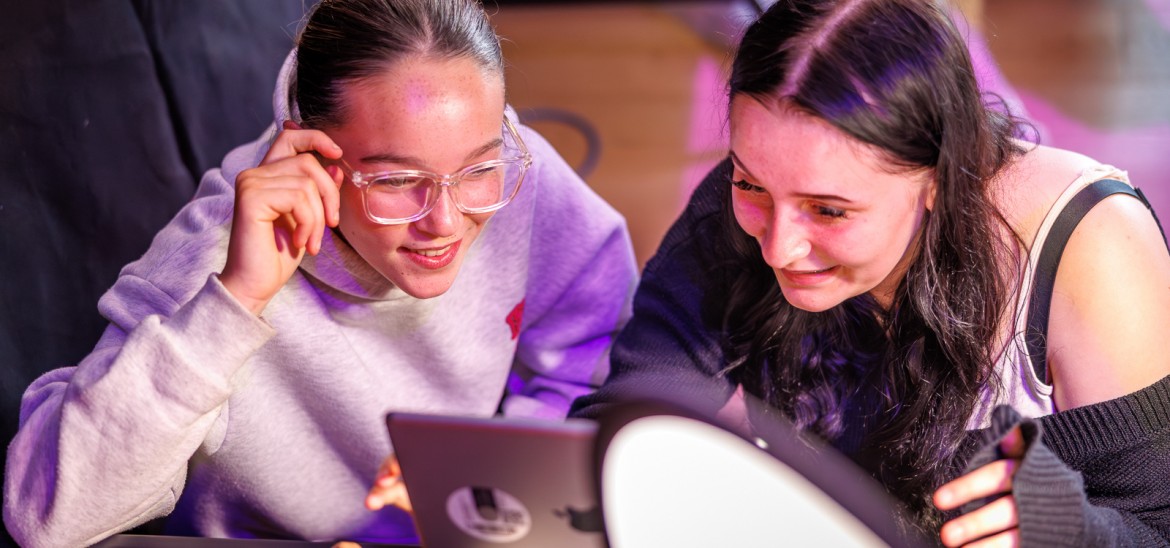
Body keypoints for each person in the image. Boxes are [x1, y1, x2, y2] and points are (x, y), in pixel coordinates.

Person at [4, 0, 637, 545]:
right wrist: (236, 303)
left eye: (478, 167)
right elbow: (45, 518)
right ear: (310, 151)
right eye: (396, 180)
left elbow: (597, 344)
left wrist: (494, 470)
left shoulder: (520, 178)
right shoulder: (214, 261)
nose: (445, 220)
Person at [571, 0, 1170, 545]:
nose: (779, 247)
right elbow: (629, 424)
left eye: (829, 210)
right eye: (749, 182)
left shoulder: (1090, 246)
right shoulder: (752, 201)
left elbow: (1156, 525)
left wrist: (1074, 533)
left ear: (940, 174)